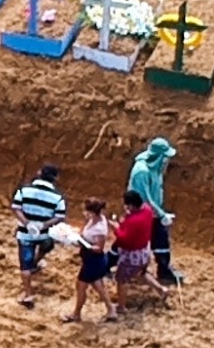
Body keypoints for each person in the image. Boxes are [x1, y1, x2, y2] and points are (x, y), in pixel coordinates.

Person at [127, 135, 181, 294]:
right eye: (165, 158)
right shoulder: (141, 171)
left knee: (161, 241)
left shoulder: (155, 168)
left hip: (153, 214)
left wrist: (160, 212)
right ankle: (107, 266)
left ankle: (164, 270)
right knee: (131, 243)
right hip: (141, 214)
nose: (167, 161)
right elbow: (144, 198)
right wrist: (161, 214)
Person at [10, 160, 68, 308]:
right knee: (46, 247)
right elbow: (60, 216)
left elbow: (16, 208)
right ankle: (36, 262)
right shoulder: (57, 197)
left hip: (25, 234)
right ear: (55, 178)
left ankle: (28, 294)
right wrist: (43, 225)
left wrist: (27, 223)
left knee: (25, 265)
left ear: (39, 173)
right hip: (45, 234)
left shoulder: (24, 190)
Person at [111, 195, 170, 311]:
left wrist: (116, 228)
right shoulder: (147, 210)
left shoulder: (134, 220)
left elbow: (124, 238)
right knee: (141, 273)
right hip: (144, 251)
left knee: (122, 280)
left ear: (131, 205)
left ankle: (121, 306)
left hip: (131, 255)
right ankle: (161, 290)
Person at [64, 201, 115, 324]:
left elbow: (99, 248)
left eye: (86, 211)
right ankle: (111, 309)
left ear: (92, 212)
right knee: (98, 285)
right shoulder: (95, 220)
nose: (84, 213)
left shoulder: (99, 228)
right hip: (90, 259)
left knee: (81, 286)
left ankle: (76, 313)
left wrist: (84, 244)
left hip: (93, 261)